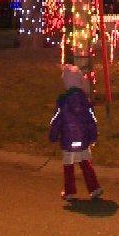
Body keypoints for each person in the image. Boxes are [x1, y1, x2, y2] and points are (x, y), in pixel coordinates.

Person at [49, 64, 102, 202]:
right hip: (83, 140)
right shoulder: (86, 101)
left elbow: (57, 120)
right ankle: (94, 188)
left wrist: (53, 135)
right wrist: (93, 136)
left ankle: (69, 191)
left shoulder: (62, 102)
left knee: (68, 166)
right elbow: (92, 120)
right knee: (85, 163)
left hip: (68, 141)